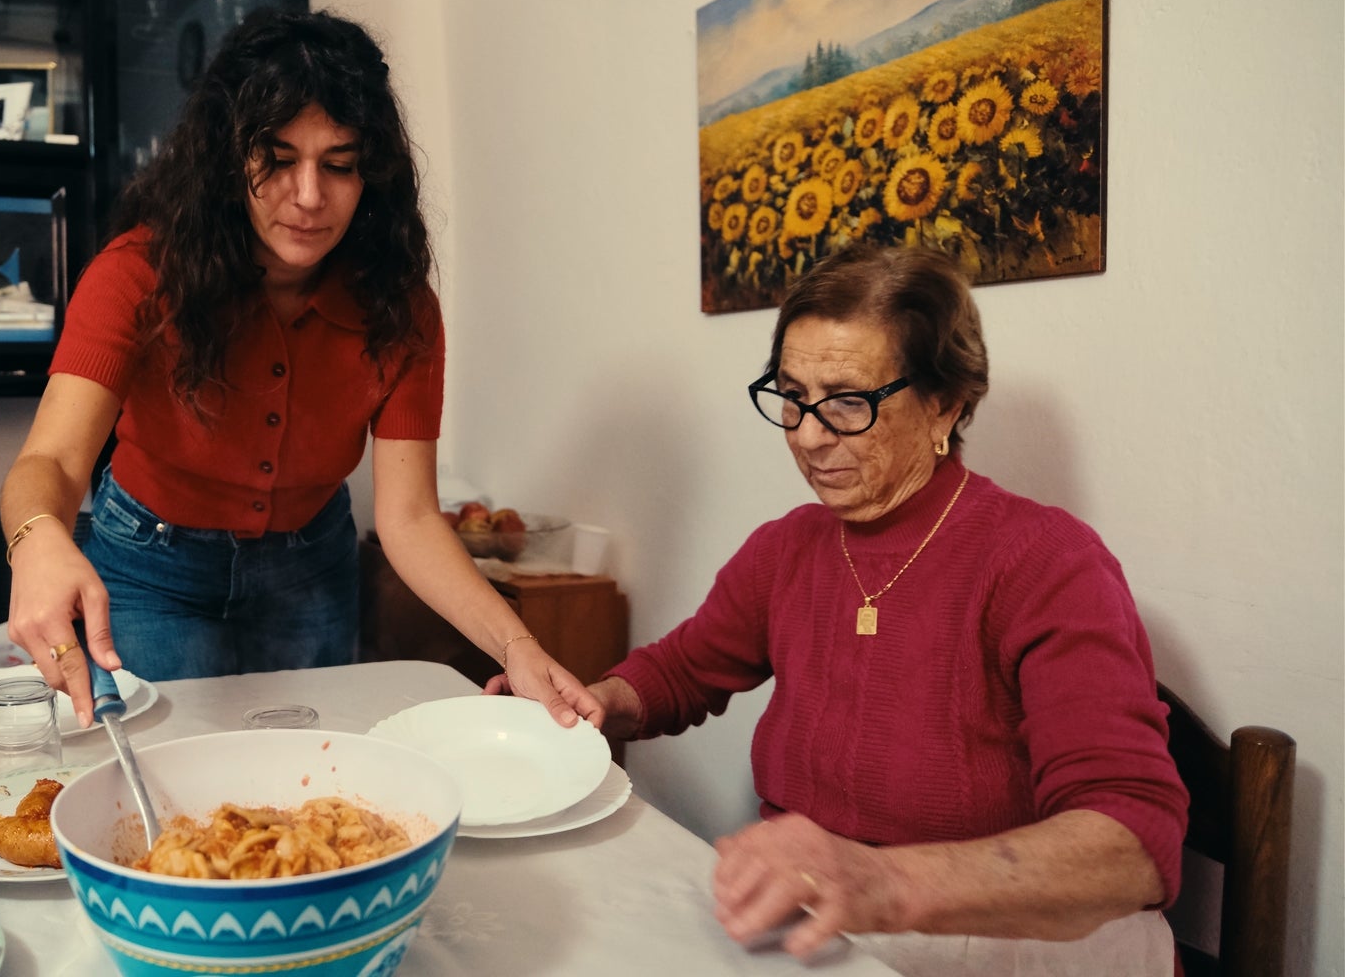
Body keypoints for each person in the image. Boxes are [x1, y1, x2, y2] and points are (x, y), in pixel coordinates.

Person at [503, 244, 1187, 976]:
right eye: (791, 395)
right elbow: (682, 671)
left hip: (996, 929)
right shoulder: (789, 547)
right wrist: (596, 701)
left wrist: (880, 881)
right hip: (834, 917)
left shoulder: (1046, 561)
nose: (806, 433)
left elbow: (1133, 846)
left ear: (945, 405)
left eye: (847, 402)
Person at [1, 8, 600, 731]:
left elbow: (408, 516)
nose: (311, 196)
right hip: (150, 569)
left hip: (310, 570)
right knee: (164, 783)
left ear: (370, 174)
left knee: (309, 783)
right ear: (228, 158)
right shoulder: (137, 273)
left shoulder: (402, 308)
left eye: (340, 165)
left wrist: (518, 643)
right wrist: (36, 542)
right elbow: (54, 462)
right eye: (278, 159)